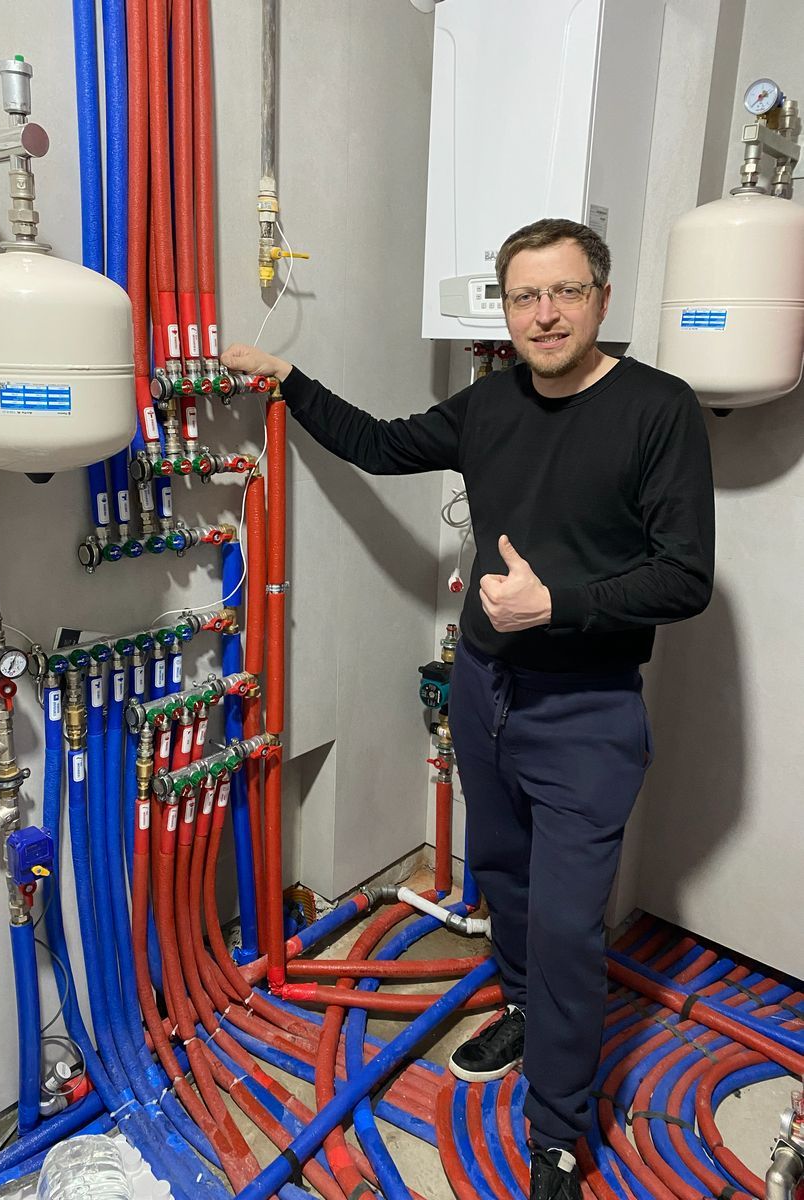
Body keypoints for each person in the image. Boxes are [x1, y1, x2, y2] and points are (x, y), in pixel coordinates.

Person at [221, 218, 715, 1200]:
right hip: (487, 689)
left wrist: (555, 604)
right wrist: (288, 380)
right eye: (525, 296)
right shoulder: (489, 405)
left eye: (565, 292)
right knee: (503, 879)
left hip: (587, 710)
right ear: (506, 309)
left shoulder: (659, 409)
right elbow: (380, 444)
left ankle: (559, 1134)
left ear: (601, 299)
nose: (545, 314)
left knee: (569, 924)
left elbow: (685, 576)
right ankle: (527, 1010)